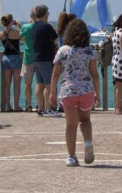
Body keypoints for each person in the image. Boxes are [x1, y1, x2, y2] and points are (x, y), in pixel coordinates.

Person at [49, 19, 100, 166]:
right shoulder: (90, 51)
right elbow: (95, 74)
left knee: (71, 125)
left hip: (68, 90)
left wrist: (52, 93)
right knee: (85, 120)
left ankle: (71, 156)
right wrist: (98, 93)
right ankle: (88, 143)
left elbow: (55, 74)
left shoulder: (63, 51)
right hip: (86, 91)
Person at [32, 4, 60, 117]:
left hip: (37, 58)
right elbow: (56, 37)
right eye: (48, 13)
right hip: (45, 58)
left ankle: (40, 108)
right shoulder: (46, 26)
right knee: (49, 85)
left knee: (39, 84)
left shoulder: (34, 25)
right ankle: (48, 109)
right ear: (44, 14)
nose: (48, 15)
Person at [0, 14, 22, 112]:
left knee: (7, 84)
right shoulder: (16, 32)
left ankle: (8, 106)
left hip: (5, 57)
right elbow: (23, 38)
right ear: (11, 21)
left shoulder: (1, 33)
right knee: (16, 84)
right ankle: (16, 106)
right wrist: (19, 26)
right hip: (15, 58)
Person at [20, 9, 36, 112]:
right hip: (39, 58)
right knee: (41, 83)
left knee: (28, 83)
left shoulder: (25, 27)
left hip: (28, 58)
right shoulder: (42, 26)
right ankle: (41, 104)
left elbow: (21, 38)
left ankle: (29, 105)